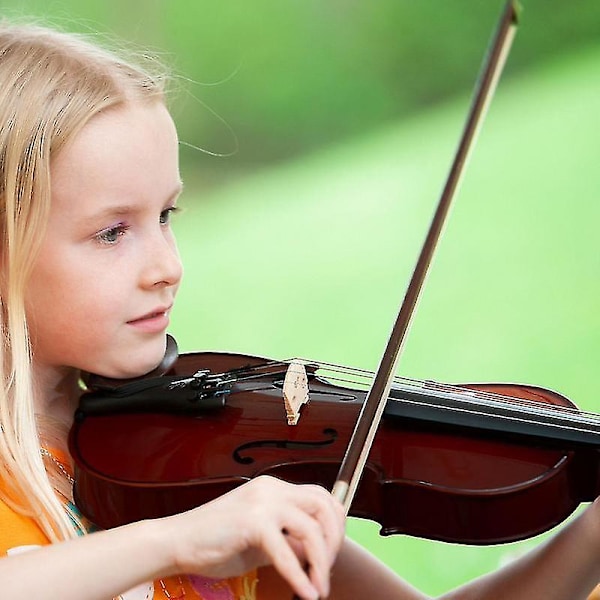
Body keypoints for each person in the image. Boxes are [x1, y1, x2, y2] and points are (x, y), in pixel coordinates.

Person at [1, 19, 600, 600]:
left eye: (165, 216)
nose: (168, 266)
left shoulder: (188, 461)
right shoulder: (168, 512)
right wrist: (175, 541)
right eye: (112, 232)